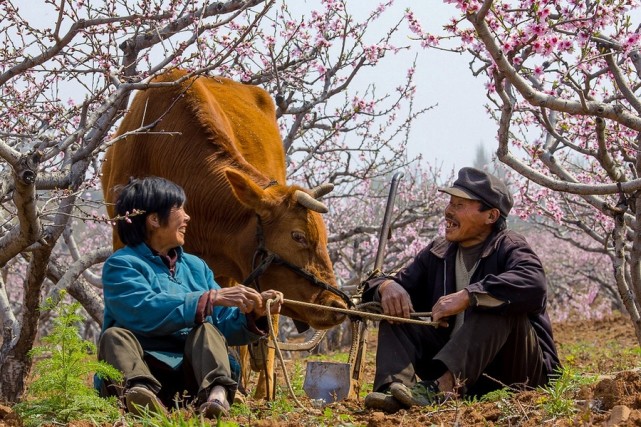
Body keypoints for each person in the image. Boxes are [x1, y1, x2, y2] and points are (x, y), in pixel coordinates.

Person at [362, 167, 560, 413]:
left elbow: (534, 284)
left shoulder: (509, 246)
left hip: (519, 370)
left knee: (494, 304)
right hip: (461, 369)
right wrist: (386, 286)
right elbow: (382, 285)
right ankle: (394, 392)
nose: (448, 211)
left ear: (491, 216)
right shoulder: (438, 252)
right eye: (450, 203)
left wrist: (469, 296)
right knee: (396, 311)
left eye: (459, 205)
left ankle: (444, 389)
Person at [97, 176, 283, 419]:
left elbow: (224, 324)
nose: (187, 217)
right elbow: (142, 311)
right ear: (154, 219)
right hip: (142, 368)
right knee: (114, 336)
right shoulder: (121, 265)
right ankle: (139, 394)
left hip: (193, 376)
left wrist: (254, 314)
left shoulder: (197, 267)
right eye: (179, 209)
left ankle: (217, 394)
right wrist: (209, 298)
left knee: (208, 330)